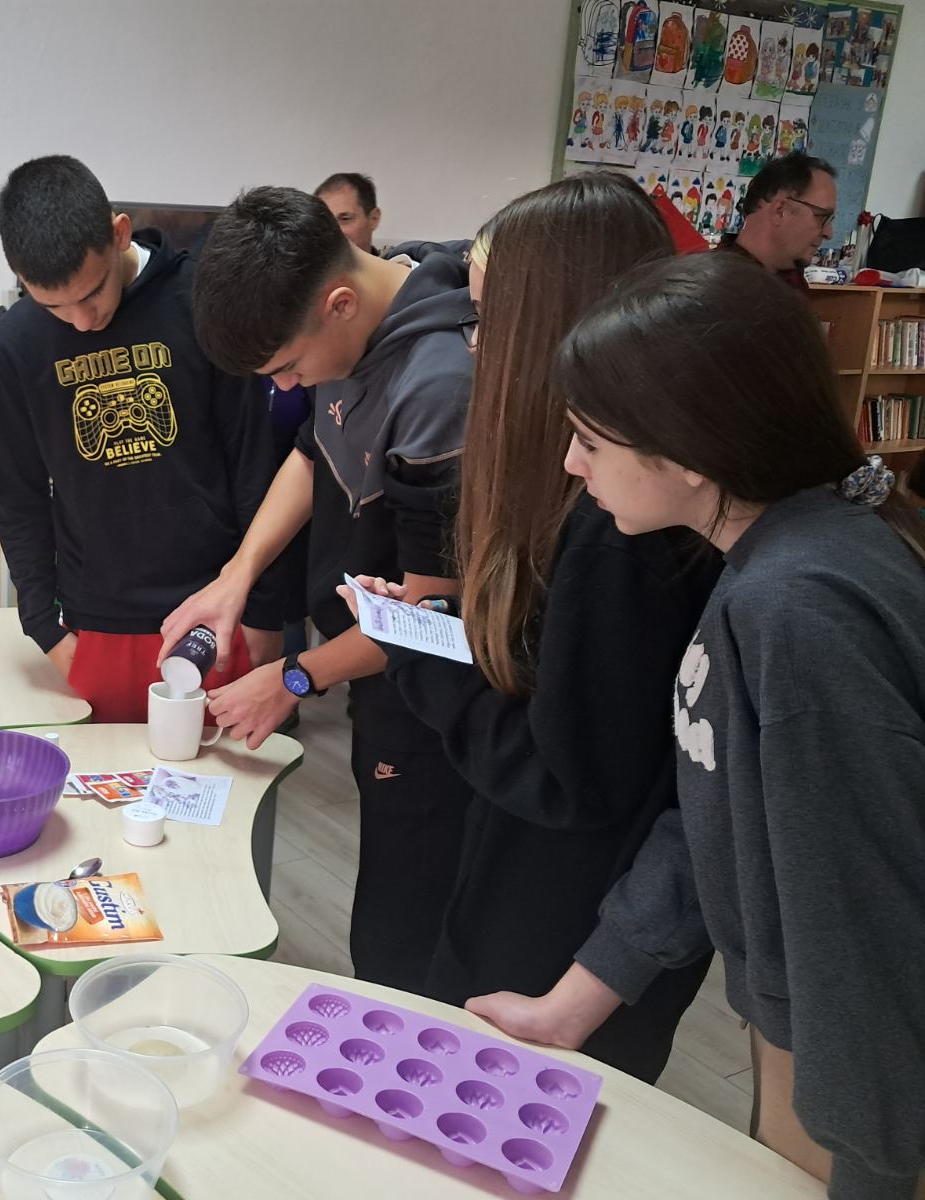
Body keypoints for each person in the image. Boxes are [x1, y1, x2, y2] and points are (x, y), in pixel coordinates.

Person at [468, 253, 925, 1197]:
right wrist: (575, 1002)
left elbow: (862, 917)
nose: (571, 464)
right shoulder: (767, 557)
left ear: (685, 452)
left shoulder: (797, 609)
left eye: (589, 441)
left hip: (870, 1079)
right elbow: (713, 799)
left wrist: (873, 1158)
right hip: (821, 1044)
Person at [340, 173, 718, 1082]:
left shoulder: (621, 529)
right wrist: (439, 628)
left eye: (486, 321)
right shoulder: (596, 492)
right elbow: (558, 681)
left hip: (566, 916)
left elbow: (565, 775)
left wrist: (417, 655)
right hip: (547, 881)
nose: (474, 347)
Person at [161, 186, 473, 990]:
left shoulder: (438, 387)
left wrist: (295, 677)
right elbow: (308, 453)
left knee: (405, 933)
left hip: (433, 699)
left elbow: (430, 618)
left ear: (338, 303)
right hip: (372, 667)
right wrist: (237, 576)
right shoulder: (359, 320)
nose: (292, 385)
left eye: (288, 367)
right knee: (385, 904)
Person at [0, 155, 284, 724]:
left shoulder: (203, 302)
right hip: (93, 623)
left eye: (91, 293)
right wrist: (44, 626)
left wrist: (265, 610)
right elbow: (18, 495)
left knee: (217, 778)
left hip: (214, 609)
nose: (81, 321)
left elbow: (253, 463)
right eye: (53, 306)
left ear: (120, 233)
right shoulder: (13, 345)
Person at [718, 152, 837, 292]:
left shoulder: (791, 281)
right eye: (821, 216)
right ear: (779, 210)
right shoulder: (713, 287)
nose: (829, 233)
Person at [314, 172, 382, 254]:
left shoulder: (393, 260)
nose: (333, 232)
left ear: (374, 218)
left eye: (345, 219)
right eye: (325, 222)